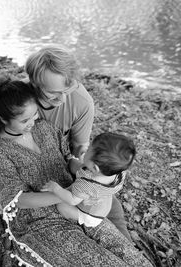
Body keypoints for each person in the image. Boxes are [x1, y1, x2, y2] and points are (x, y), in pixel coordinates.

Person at [0, 75, 152, 266]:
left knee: (133, 258)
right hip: (40, 220)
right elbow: (17, 200)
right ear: (3, 119)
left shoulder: (46, 129)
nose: (33, 122)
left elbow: (68, 160)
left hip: (81, 207)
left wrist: (90, 180)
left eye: (35, 114)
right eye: (24, 120)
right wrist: (67, 194)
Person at [24, 43, 131, 240]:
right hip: (28, 160)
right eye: (54, 93)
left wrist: (83, 160)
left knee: (107, 203)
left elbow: (80, 146)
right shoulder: (20, 99)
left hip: (62, 163)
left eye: (68, 88)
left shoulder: (82, 102)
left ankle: (125, 242)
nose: (63, 99)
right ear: (34, 83)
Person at [42, 132, 136, 228]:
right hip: (103, 207)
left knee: (61, 206)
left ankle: (78, 222)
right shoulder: (118, 174)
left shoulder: (85, 184)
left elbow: (72, 200)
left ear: (95, 168)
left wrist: (56, 188)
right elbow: (83, 166)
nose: (86, 150)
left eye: (88, 150)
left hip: (90, 215)